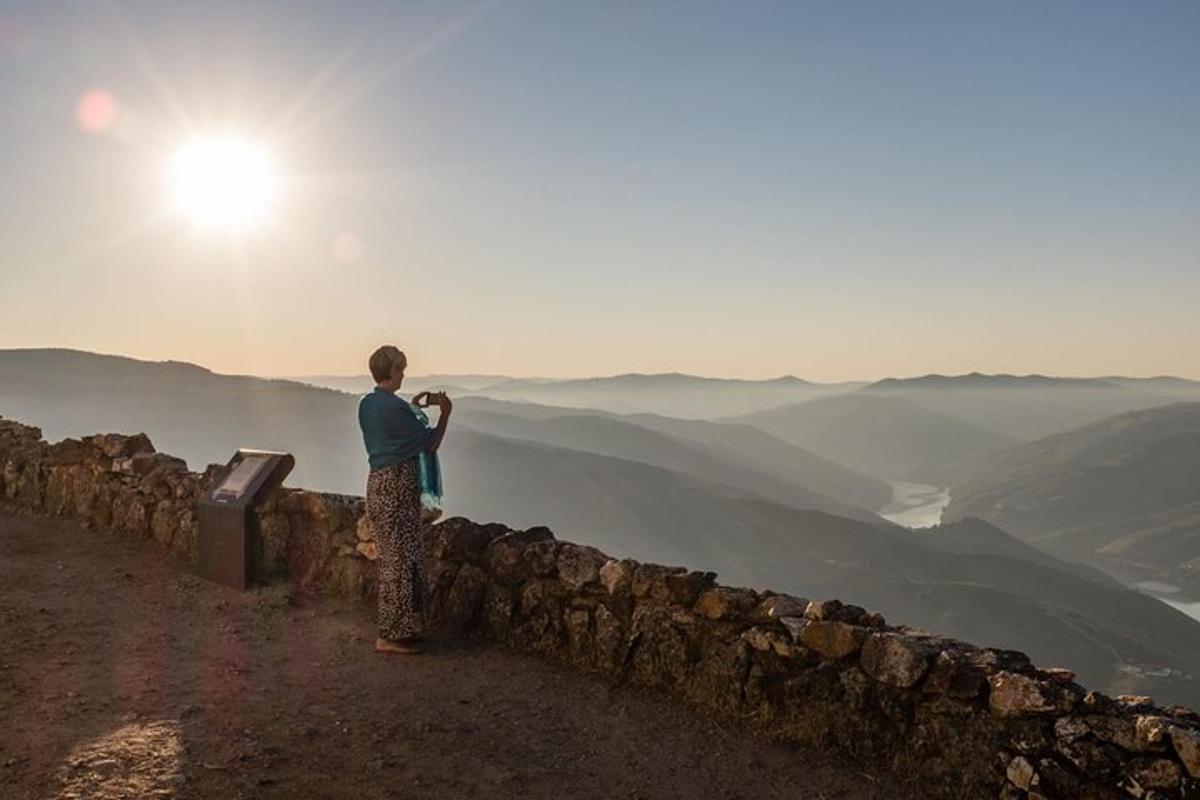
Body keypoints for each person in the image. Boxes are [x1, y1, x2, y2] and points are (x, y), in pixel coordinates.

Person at [357, 345, 452, 655]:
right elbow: (430, 443)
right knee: (400, 562)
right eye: (401, 369)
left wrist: (412, 407)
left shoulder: (367, 405)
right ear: (391, 370)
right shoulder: (394, 408)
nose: (403, 374)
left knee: (397, 559)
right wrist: (445, 413)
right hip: (398, 490)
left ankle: (404, 628)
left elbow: (396, 431)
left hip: (378, 487)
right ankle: (390, 636)